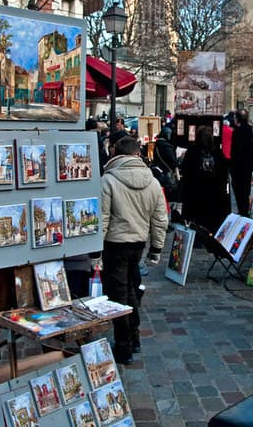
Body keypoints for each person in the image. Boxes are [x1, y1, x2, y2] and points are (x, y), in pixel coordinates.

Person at [100, 136, 168, 364]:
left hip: (115, 244)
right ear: (137, 154)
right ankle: (134, 338)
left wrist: (95, 252)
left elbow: (102, 219)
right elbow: (160, 219)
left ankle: (124, 346)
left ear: (116, 154)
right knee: (129, 290)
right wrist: (156, 249)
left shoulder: (108, 180)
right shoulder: (153, 182)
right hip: (137, 243)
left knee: (118, 294)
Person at [180, 126, 228, 234]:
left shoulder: (192, 152)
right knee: (211, 219)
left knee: (196, 218)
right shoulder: (217, 153)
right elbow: (224, 173)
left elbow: (185, 171)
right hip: (214, 193)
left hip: (196, 193)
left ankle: (197, 237)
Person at [229, 109, 253, 216]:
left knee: (240, 192)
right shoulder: (251, 130)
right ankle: (245, 210)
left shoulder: (237, 132)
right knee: (246, 191)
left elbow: (235, 151)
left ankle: (243, 211)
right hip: (249, 167)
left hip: (238, 168)